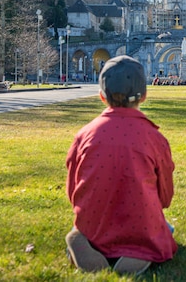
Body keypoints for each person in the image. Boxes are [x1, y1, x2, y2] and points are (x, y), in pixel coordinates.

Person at [65, 55, 177, 275]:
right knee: (166, 228)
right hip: (140, 223)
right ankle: (140, 251)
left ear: (101, 96)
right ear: (143, 96)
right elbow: (165, 196)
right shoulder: (154, 138)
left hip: (94, 222)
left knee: (86, 228)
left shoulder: (85, 134)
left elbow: (73, 190)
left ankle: (84, 239)